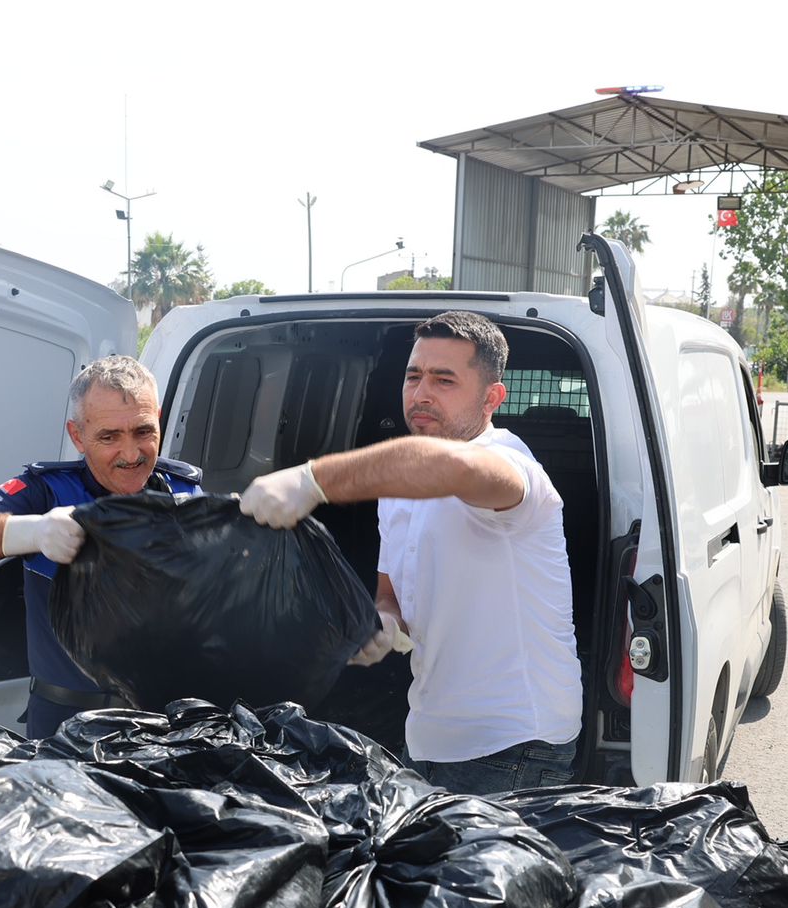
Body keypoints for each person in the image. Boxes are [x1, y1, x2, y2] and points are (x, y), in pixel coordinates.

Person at [239, 311, 580, 794]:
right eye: (413, 376)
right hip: (428, 734)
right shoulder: (399, 489)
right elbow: (392, 592)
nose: (420, 394)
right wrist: (385, 624)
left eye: (444, 380)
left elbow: (450, 466)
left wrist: (312, 479)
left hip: (514, 744)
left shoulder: (513, 467)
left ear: (492, 397)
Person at [0, 355, 200, 738]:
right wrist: (33, 531)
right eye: (109, 436)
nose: (131, 453)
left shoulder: (184, 490)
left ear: (158, 417)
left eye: (143, 431)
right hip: (68, 725)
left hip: (162, 722)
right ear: (77, 435)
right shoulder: (47, 492)